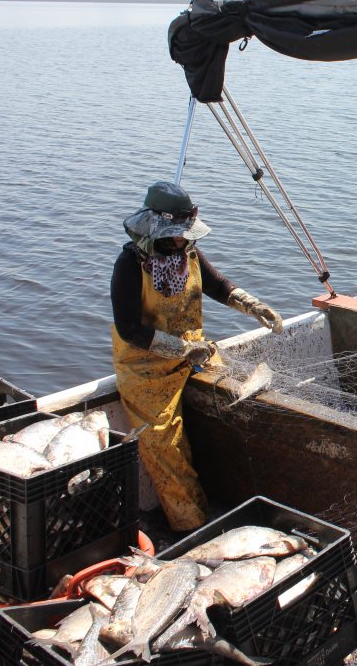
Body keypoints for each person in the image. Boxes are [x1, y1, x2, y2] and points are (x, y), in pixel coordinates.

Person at [110, 181, 284, 532]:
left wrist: (252, 304)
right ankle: (191, 525)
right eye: (175, 235)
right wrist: (181, 349)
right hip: (146, 370)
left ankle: (235, 494)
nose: (183, 241)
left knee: (238, 403)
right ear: (154, 230)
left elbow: (218, 285)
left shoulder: (187, 253)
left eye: (185, 235)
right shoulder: (130, 265)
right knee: (164, 444)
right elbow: (129, 329)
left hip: (196, 352)